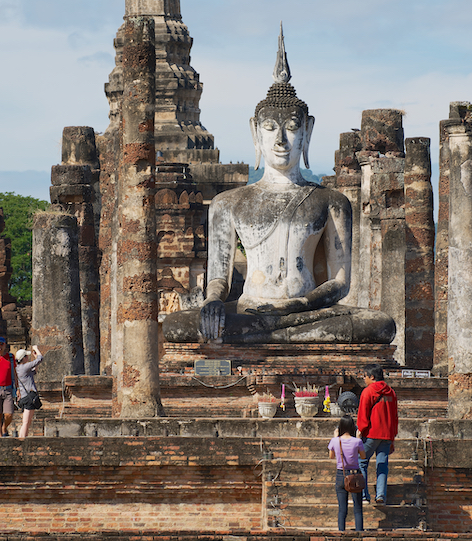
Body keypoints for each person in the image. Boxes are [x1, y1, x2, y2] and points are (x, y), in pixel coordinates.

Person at [162, 27, 395, 345]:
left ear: (307, 132)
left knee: (378, 325)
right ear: (255, 133)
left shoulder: (331, 201)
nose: (281, 140)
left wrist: (300, 303)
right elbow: (219, 278)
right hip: (250, 311)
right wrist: (213, 302)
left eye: (292, 128)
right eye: (270, 128)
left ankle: (273, 333)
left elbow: (341, 282)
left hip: (306, 313)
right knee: (176, 326)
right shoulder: (228, 203)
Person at [357, 363, 399, 505]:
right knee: (382, 465)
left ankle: (364, 495)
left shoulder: (368, 392)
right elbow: (394, 416)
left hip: (371, 434)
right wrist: (393, 436)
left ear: (372, 377)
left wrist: (360, 430)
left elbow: (363, 415)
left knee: (360, 462)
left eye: (365, 376)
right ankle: (380, 495)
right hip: (386, 435)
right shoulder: (391, 392)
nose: (364, 379)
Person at [328, 416, 366, 532]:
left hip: (341, 474)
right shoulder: (357, 441)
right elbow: (363, 456)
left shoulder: (335, 441)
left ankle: (341, 532)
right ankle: (359, 532)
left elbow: (331, 456)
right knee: (358, 508)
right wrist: (358, 438)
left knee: (342, 509)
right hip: (355, 475)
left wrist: (335, 438)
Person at [15, 345, 44, 438]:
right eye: (26, 356)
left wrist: (35, 358)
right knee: (26, 422)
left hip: (25, 397)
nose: (28, 358)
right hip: (28, 397)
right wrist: (36, 349)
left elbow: (34, 371)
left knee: (28, 421)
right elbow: (40, 358)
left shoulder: (19, 369)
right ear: (23, 358)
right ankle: (22, 439)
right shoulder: (24, 367)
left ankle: (24, 437)